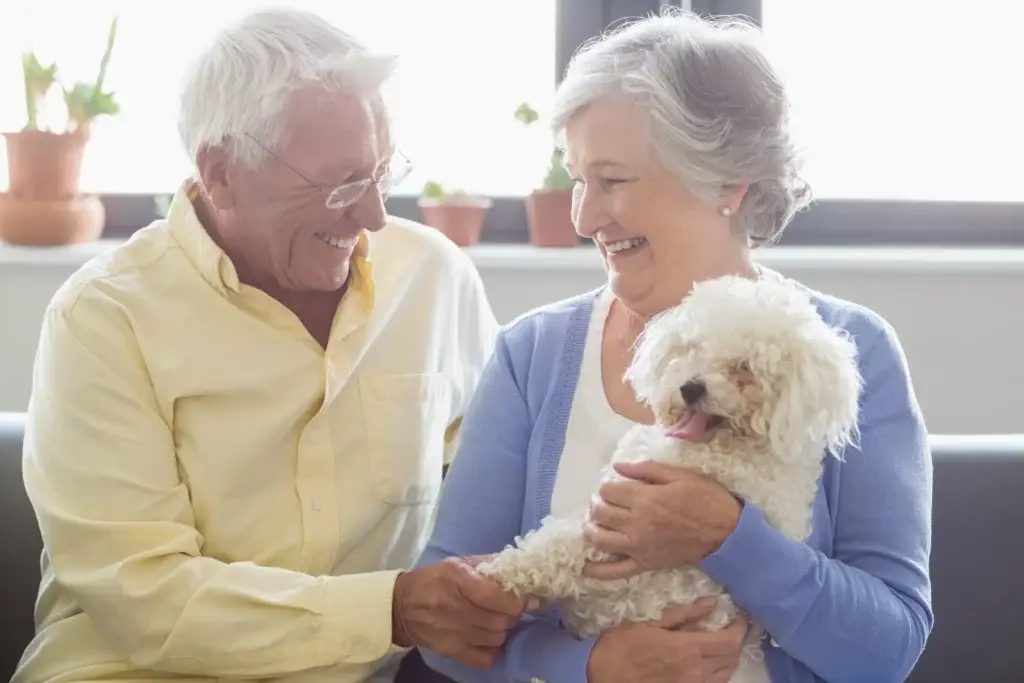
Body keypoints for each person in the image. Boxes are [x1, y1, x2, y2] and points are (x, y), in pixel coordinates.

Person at [415, 9, 933, 683]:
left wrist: (728, 540)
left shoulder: (851, 353)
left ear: (726, 184)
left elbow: (887, 649)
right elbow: (442, 625)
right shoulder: (533, 355)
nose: (583, 216)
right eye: (576, 179)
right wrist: (590, 665)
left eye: (613, 179)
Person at [14, 9, 530, 683]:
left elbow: (500, 495)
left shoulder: (432, 277)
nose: (373, 214)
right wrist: (391, 609)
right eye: (343, 183)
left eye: (382, 173)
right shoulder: (104, 318)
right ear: (221, 172)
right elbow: (146, 598)